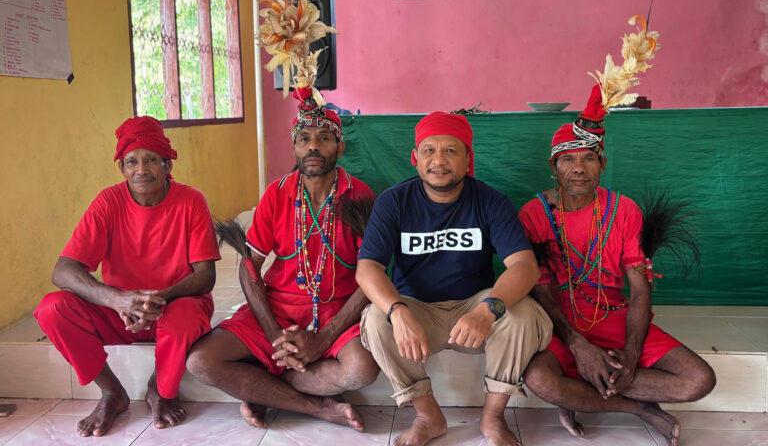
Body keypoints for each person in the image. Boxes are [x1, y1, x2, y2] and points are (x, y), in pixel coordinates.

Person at [519, 85, 716, 446]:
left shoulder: (624, 210)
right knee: (540, 379)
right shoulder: (533, 214)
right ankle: (636, 408)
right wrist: (579, 346)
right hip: (559, 323)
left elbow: (640, 288)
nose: (579, 168)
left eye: (589, 159)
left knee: (699, 380)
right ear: (553, 166)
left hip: (613, 315)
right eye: (568, 159)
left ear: (603, 164)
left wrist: (630, 351)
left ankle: (578, 396)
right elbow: (541, 290)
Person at [186, 88, 380, 432]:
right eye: (303, 138)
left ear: (341, 147)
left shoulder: (360, 195)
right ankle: (318, 408)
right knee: (201, 361)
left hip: (338, 311)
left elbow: (371, 276)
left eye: (324, 138)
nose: (313, 147)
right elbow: (249, 268)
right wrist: (277, 337)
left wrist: (322, 338)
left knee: (362, 369)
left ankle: (266, 390)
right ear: (294, 148)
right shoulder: (277, 194)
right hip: (277, 310)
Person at [355, 111, 553, 446]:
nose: (439, 160)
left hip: (475, 311)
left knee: (522, 314)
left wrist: (488, 309)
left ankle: (492, 418)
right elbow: (368, 268)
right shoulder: (394, 201)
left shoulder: (490, 201)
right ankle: (427, 416)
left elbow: (524, 266)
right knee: (377, 319)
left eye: (451, 151)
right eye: (429, 150)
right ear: (415, 159)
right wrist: (399, 313)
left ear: (467, 158)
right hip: (418, 311)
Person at [35, 116, 220, 436]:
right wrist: (118, 299)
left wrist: (153, 299)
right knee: (52, 308)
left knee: (187, 315)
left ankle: (160, 390)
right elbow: (63, 270)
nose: (141, 169)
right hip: (120, 313)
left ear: (167, 165)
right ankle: (111, 392)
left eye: (151, 160)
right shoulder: (108, 202)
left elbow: (205, 276)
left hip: (172, 307)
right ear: (121, 168)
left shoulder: (191, 200)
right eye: (131, 161)